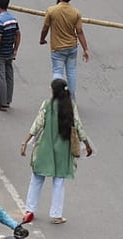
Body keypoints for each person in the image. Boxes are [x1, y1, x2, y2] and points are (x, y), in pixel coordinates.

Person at [20, 77, 92, 224]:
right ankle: (56, 214)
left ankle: (30, 209)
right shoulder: (70, 106)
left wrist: (25, 142)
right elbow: (78, 126)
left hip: (45, 146)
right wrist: (87, 144)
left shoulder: (47, 105)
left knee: (37, 178)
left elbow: (37, 124)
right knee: (59, 181)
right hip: (63, 149)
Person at [38, 0, 88, 97]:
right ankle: (71, 98)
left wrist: (42, 39)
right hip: (72, 47)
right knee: (71, 73)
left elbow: (45, 28)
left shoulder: (51, 11)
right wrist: (86, 49)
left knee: (57, 72)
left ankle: (57, 96)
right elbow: (79, 32)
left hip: (57, 48)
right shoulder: (75, 12)